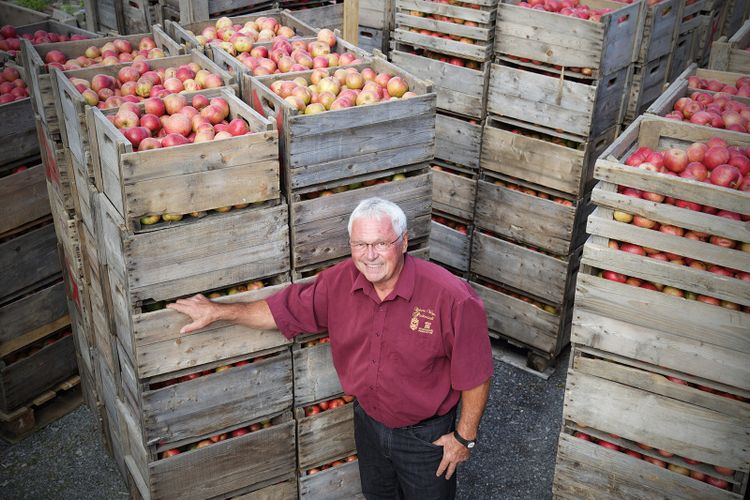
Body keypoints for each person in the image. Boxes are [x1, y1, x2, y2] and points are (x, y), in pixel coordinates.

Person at [168, 197, 494, 499]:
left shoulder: (451, 298)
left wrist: (464, 438)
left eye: (381, 243)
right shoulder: (338, 283)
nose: (370, 255)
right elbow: (281, 311)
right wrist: (219, 311)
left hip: (426, 438)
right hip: (369, 423)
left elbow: (476, 373)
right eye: (361, 244)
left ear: (404, 242)